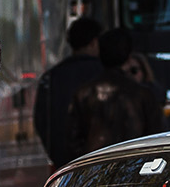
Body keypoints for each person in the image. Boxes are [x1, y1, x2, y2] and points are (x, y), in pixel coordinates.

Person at [68, 27, 162, 156]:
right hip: (134, 164)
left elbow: (73, 139)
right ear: (128, 56)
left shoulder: (83, 94)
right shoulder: (142, 94)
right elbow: (157, 138)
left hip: (96, 166)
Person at [32, 16, 103, 169]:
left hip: (66, 166)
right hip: (102, 163)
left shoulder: (52, 78)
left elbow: (41, 121)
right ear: (94, 42)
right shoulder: (105, 74)